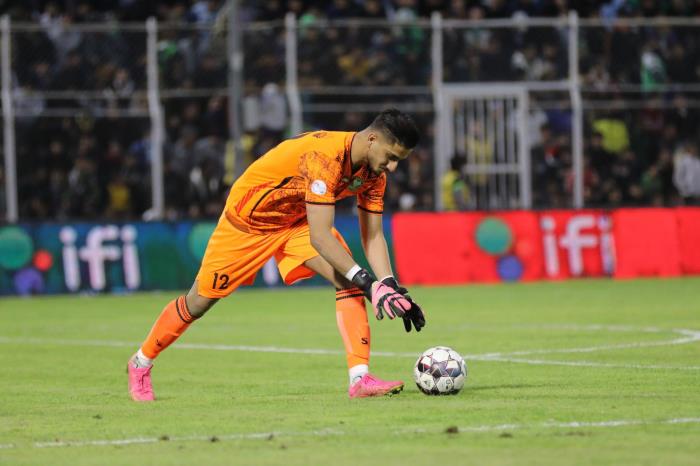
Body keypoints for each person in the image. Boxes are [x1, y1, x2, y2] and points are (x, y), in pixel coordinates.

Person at [127, 109, 426, 401]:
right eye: (391, 157)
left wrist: (389, 285)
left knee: (348, 282)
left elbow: (372, 235)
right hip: (248, 223)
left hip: (295, 223)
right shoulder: (325, 157)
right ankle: (140, 363)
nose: (392, 167)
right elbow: (321, 237)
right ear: (372, 139)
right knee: (198, 302)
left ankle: (360, 379)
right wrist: (371, 284)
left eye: (398, 161)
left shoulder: (374, 175)